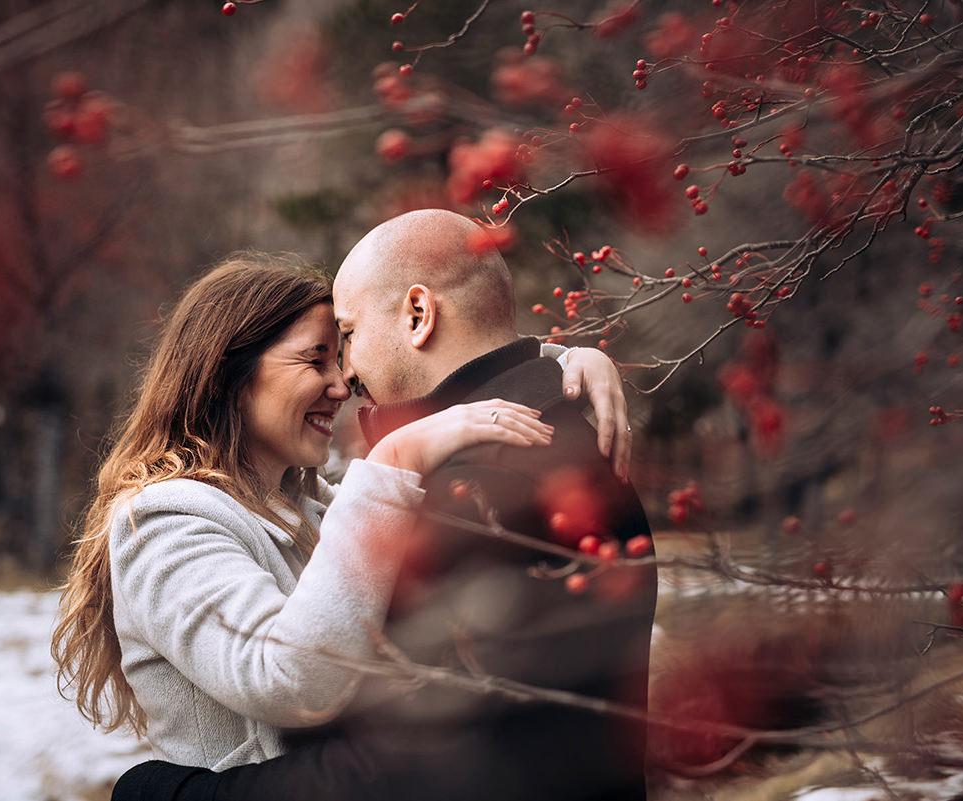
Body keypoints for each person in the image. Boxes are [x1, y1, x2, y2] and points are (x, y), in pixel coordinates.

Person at [106, 210, 657, 801]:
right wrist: (551, 364)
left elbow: (397, 771)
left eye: (345, 337)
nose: (344, 378)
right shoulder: (172, 519)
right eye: (317, 357)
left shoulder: (477, 482)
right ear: (229, 375)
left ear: (419, 315)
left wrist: (167, 796)